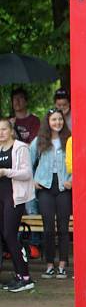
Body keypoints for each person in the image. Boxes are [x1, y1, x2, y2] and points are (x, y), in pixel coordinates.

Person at [30, 108, 72, 279]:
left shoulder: (69, 140)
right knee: (48, 228)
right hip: (45, 186)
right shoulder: (39, 141)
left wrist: (73, 180)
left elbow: (78, 161)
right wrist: (32, 180)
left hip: (63, 186)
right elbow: (27, 161)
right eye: (54, 119)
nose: (57, 123)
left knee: (63, 228)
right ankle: (49, 264)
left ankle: (62, 264)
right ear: (48, 122)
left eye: (60, 119)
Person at [0, 119, 35, 292]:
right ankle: (19, 275)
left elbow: (27, 173)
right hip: (1, 197)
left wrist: (6, 172)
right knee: (5, 236)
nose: (1, 133)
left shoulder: (20, 147)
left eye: (4, 129)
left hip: (15, 197)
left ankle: (26, 277)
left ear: (11, 130)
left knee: (10, 235)